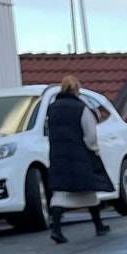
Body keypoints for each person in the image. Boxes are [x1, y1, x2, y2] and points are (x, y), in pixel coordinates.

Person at [44, 77, 112, 243]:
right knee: (88, 191)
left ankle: (57, 229)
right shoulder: (81, 108)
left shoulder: (51, 109)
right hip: (79, 155)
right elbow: (90, 134)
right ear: (76, 90)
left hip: (58, 156)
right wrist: (94, 150)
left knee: (60, 194)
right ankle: (99, 226)